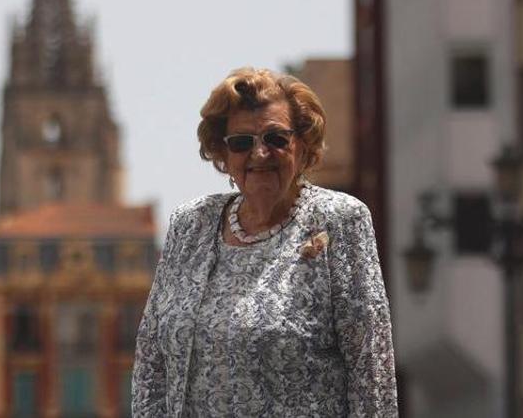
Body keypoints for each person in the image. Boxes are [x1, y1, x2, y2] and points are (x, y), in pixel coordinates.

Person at [132, 67, 398, 416]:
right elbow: (152, 364)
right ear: (223, 156)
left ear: (302, 146)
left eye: (275, 138)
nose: (259, 153)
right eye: (241, 142)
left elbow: (371, 370)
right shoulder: (190, 225)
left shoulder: (339, 220)